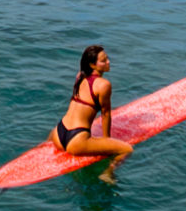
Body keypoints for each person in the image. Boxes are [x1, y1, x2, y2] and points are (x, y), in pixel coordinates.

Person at [50, 44, 133, 172]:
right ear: (92, 65)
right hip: (77, 139)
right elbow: (105, 114)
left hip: (58, 132)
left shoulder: (80, 76)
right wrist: (107, 143)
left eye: (107, 58)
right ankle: (108, 173)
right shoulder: (104, 85)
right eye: (103, 60)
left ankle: (43, 146)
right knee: (127, 149)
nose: (108, 62)